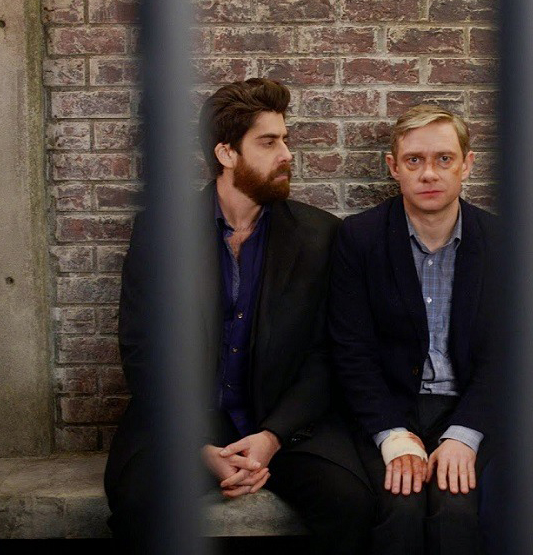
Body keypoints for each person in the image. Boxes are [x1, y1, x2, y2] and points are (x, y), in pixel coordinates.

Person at [104, 78, 373, 554]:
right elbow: (142, 348)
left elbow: (327, 354)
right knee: (138, 499)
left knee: (351, 503)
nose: (287, 154)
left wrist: (272, 437)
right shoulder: (161, 232)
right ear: (226, 153)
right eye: (269, 142)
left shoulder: (321, 235)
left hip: (285, 424)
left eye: (285, 139)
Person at [329, 105, 502, 555]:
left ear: (467, 164)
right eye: (414, 160)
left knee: (456, 509)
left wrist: (465, 434)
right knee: (398, 506)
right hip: (389, 408)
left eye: (444, 159)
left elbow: (508, 356)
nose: (429, 173)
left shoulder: (502, 242)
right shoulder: (359, 237)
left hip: (468, 406)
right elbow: (351, 351)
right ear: (394, 167)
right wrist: (390, 434)